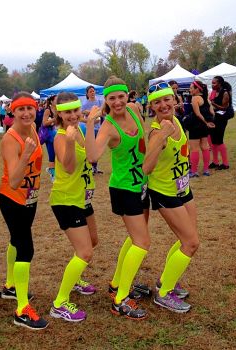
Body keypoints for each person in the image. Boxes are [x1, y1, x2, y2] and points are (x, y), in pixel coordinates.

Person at [85, 76, 150, 320]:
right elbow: (92, 156)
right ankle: (120, 299)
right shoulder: (108, 126)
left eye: (121, 96)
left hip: (141, 183)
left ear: (127, 96)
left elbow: (142, 141)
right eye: (112, 98)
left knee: (136, 238)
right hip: (123, 188)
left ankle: (116, 283)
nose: (118, 101)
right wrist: (91, 124)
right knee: (142, 242)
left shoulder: (134, 110)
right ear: (107, 100)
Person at [142, 81, 199, 313]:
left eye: (167, 99)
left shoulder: (175, 120)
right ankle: (164, 294)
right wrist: (160, 138)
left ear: (174, 100)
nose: (164, 105)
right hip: (165, 192)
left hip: (183, 188)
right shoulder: (158, 131)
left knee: (189, 239)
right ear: (152, 107)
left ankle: (166, 280)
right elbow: (146, 167)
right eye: (157, 102)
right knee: (191, 242)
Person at [0, 92, 48, 330]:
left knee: (17, 241)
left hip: (31, 197)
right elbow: (15, 180)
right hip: (13, 198)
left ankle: (10, 285)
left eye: (30, 108)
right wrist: (26, 154)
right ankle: (21, 309)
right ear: (12, 112)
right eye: (21, 109)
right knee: (26, 248)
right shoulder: (10, 139)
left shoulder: (34, 127)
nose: (27, 113)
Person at [49, 92, 97, 323]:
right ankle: (59, 304)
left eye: (75, 110)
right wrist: (68, 141)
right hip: (66, 200)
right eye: (67, 112)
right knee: (85, 251)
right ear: (59, 113)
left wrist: (88, 124)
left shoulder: (80, 129)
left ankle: (75, 279)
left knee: (92, 242)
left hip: (82, 198)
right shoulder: (60, 136)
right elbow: (68, 168)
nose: (73, 115)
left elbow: (92, 156)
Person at [188, 81, 215, 177]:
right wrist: (209, 122)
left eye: (191, 88)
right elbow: (212, 112)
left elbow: (197, 114)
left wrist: (205, 122)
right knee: (205, 147)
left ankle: (194, 171)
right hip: (204, 127)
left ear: (197, 89)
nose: (190, 90)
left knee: (194, 148)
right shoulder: (206, 99)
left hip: (196, 125)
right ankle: (206, 170)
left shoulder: (195, 98)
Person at [208, 76, 232, 170]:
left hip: (221, 119)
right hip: (214, 118)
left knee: (219, 140)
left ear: (220, 83)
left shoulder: (225, 93)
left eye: (214, 83)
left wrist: (213, 104)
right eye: (212, 83)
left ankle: (225, 164)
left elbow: (224, 108)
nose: (212, 84)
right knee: (213, 141)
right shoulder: (214, 92)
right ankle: (215, 162)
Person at [81, 85, 104, 174]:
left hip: (98, 128)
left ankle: (95, 167)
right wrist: (89, 119)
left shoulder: (99, 101)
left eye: (93, 91)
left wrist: (98, 115)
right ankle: (89, 167)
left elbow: (103, 113)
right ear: (87, 93)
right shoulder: (85, 104)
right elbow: (81, 115)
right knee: (90, 148)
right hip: (89, 129)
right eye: (90, 91)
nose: (92, 93)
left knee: (97, 148)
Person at [42, 95, 57, 181]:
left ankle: (52, 170)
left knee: (57, 153)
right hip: (48, 134)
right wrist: (53, 120)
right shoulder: (48, 110)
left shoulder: (57, 109)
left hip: (54, 132)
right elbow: (44, 123)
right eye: (56, 99)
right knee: (52, 154)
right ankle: (52, 173)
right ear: (51, 101)